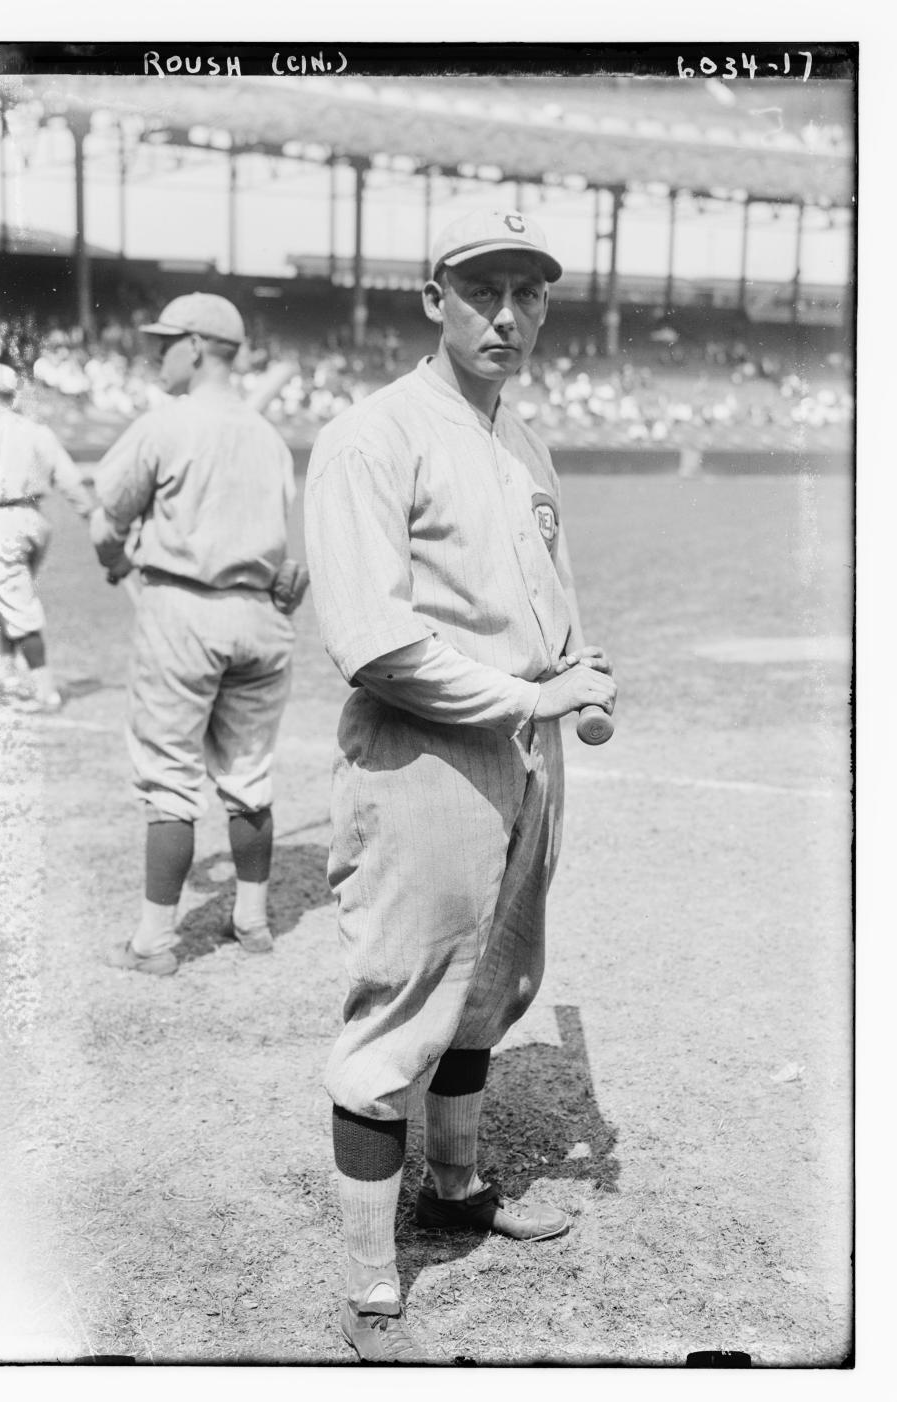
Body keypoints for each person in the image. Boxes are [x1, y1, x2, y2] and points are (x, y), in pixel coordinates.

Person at [304, 209, 617, 1363]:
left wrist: (582, 677)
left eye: (531, 292)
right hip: (423, 755)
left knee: (496, 982)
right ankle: (366, 1278)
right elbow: (375, 643)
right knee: (399, 1008)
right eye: (485, 288)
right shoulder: (372, 435)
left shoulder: (523, 440)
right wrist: (528, 697)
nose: (510, 313)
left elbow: (555, 603)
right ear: (432, 294)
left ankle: (458, 1183)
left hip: (529, 755)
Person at [89, 293, 304, 977]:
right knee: (248, 778)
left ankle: (153, 942)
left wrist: (116, 560)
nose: (157, 355)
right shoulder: (268, 437)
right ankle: (252, 920)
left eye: (165, 343)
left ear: (194, 346)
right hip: (262, 619)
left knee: (168, 780)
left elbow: (105, 521)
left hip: (184, 612)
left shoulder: (166, 422)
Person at [0, 361, 95, 712]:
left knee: (17, 605)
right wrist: (90, 514)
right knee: (8, 596)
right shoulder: (35, 430)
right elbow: (69, 478)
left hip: (0, 519)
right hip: (34, 520)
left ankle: (46, 692)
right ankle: (7, 674)